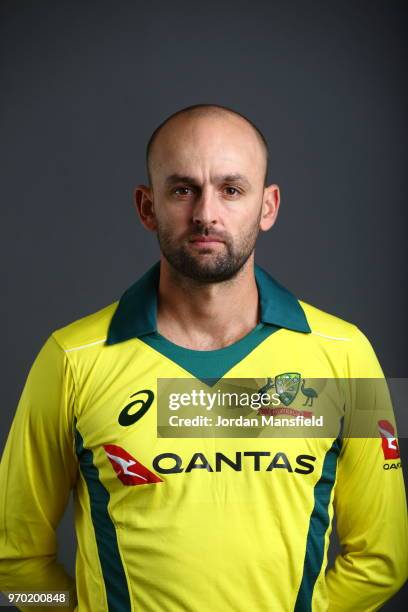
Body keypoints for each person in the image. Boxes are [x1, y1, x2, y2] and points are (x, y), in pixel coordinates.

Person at [0, 103, 407, 612]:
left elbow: (384, 560)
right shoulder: (70, 358)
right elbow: (11, 564)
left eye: (231, 189)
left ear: (268, 206)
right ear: (147, 207)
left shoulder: (347, 356)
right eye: (182, 189)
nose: (206, 214)